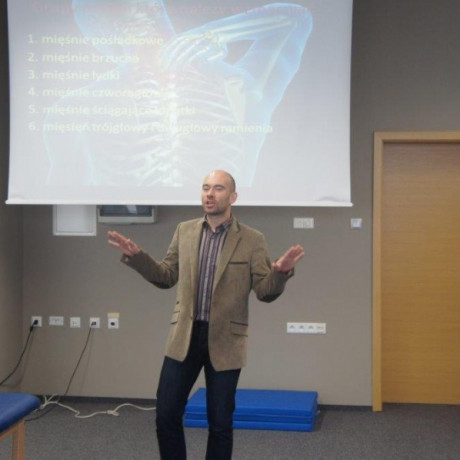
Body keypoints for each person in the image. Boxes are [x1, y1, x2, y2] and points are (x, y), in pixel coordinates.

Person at [107, 170, 304, 459]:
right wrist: (138, 258)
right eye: (205, 187)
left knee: (220, 423)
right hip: (184, 337)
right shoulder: (184, 231)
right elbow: (166, 276)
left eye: (218, 188)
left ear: (233, 197)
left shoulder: (252, 239)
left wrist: (281, 273)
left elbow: (265, 292)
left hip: (225, 340)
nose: (210, 194)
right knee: (166, 415)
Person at [46, 0, 312, 188]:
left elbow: (295, 17)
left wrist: (213, 34)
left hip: (225, 229)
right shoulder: (75, 110)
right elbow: (64, 191)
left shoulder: (237, 86)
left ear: (152, 7)